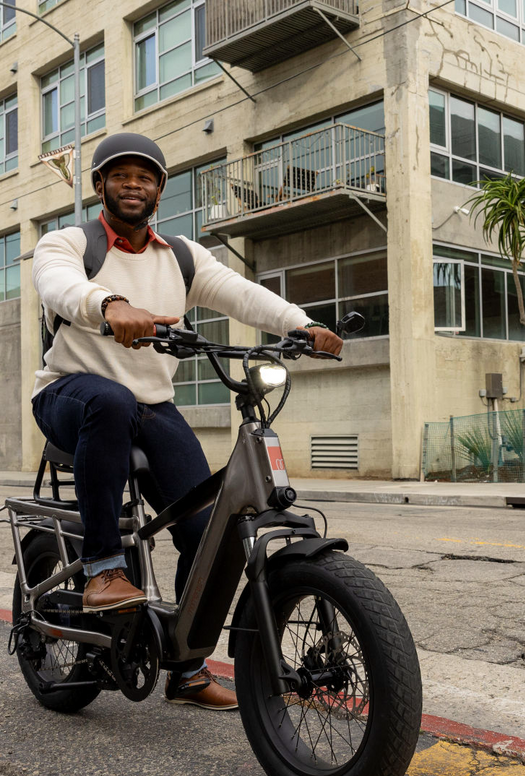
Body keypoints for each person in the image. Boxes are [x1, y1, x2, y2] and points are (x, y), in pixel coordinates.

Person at [31, 133, 342, 710]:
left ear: (158, 192)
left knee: (206, 529)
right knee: (110, 401)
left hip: (150, 405)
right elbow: (58, 284)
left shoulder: (179, 255)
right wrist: (109, 306)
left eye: (144, 178)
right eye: (119, 176)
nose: (132, 185)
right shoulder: (69, 242)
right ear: (100, 185)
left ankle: (187, 668)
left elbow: (240, 294)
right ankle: (102, 568)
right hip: (70, 395)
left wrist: (301, 324)